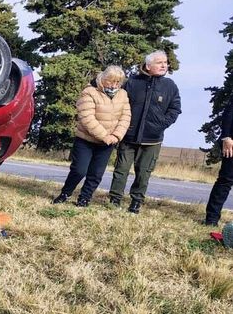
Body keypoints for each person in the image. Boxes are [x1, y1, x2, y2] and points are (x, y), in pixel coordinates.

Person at [108, 51, 182, 214]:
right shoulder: (132, 82)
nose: (164, 65)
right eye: (159, 62)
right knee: (121, 169)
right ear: (148, 66)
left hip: (153, 139)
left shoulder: (170, 86)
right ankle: (114, 199)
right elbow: (118, 104)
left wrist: (161, 125)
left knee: (143, 173)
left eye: (165, 62)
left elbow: (175, 109)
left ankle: (136, 202)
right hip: (128, 136)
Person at [53, 66, 131, 207]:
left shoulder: (123, 95)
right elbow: (87, 117)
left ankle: (84, 199)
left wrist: (116, 135)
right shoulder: (89, 92)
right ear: (103, 79)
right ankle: (65, 193)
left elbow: (125, 118)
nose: (114, 85)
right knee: (79, 170)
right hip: (86, 140)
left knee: (96, 174)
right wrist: (104, 135)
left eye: (118, 82)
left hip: (108, 142)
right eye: (111, 81)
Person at [203, 99, 233, 226]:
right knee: (225, 180)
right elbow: (229, 112)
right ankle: (211, 219)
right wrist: (226, 137)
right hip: (231, 145)